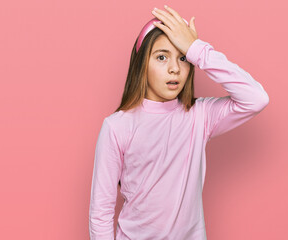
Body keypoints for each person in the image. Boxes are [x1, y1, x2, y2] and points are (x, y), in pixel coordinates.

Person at [89, 5, 269, 240]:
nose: (174, 69)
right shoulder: (117, 126)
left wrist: (197, 49)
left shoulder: (199, 115)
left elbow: (256, 98)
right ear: (142, 63)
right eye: (161, 57)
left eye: (183, 58)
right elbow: (100, 211)